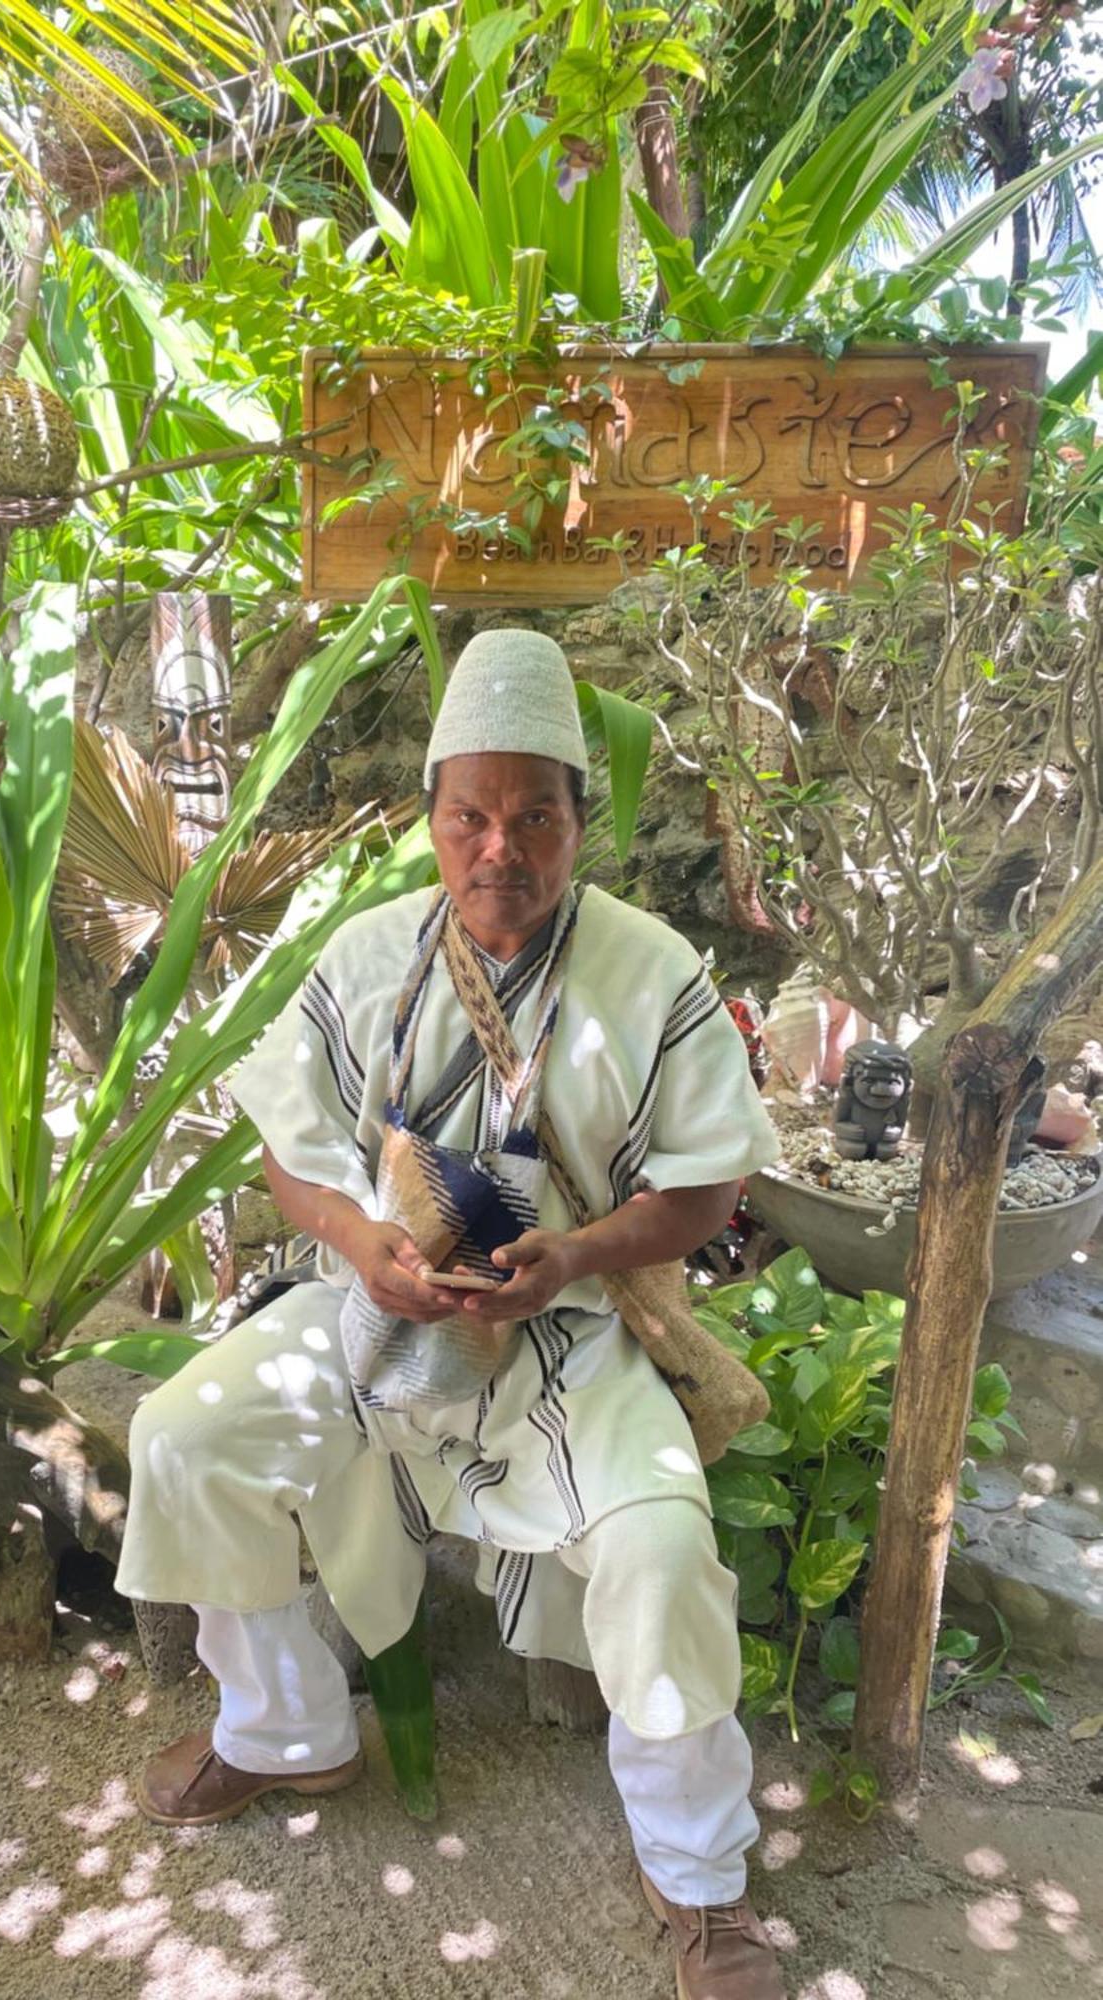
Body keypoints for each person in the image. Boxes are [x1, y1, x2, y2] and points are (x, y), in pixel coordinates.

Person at [117, 628, 786, 1999]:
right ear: (430, 819)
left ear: (578, 823)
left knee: (661, 1549)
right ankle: (286, 1728)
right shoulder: (366, 960)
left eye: (535, 814)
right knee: (186, 1433)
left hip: (565, 1330)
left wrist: (577, 1252)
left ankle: (698, 1876)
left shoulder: (652, 974)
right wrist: (364, 1243)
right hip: (375, 1312)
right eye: (469, 815)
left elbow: (710, 1188)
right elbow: (287, 1151)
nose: (502, 849)